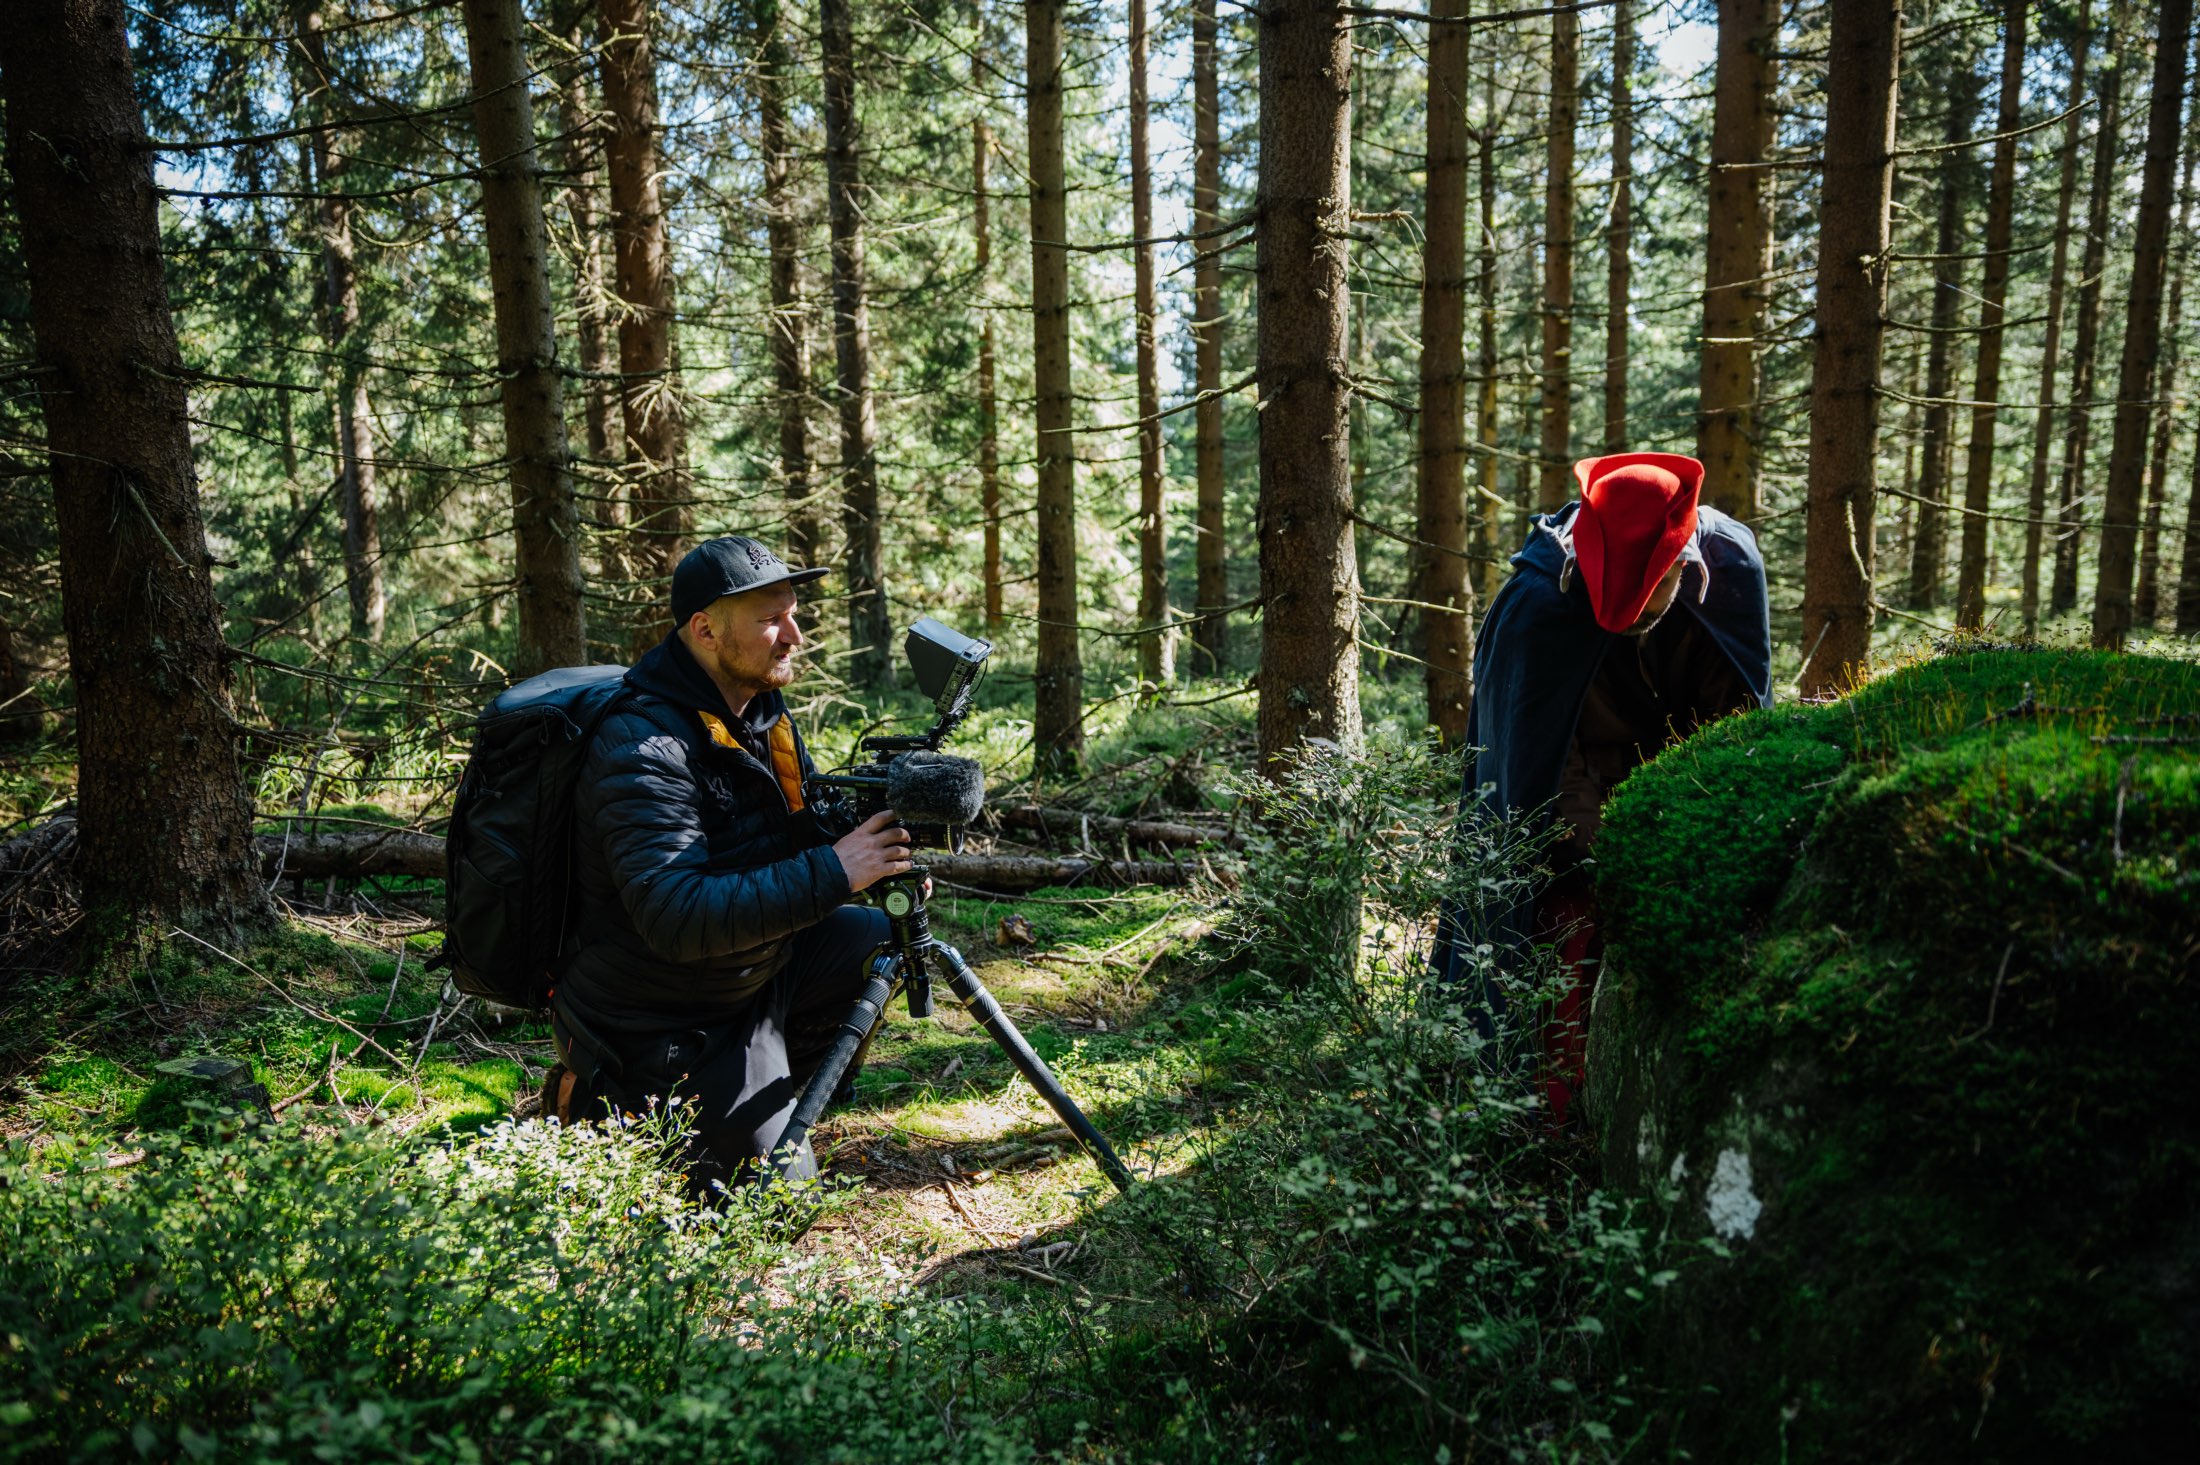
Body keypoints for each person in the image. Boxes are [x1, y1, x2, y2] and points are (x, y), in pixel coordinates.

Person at [543, 535, 915, 1191]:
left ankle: (752, 1104)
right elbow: (677, 918)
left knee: (880, 943)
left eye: (793, 612)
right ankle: (599, 1102)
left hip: (748, 975)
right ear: (705, 630)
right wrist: (836, 870)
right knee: (775, 1211)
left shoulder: (759, 711)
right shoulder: (642, 746)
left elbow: (782, 837)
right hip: (660, 1015)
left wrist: (874, 842)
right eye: (772, 619)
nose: (793, 635)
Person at [1431, 453, 1772, 1127]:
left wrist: (1686, 843)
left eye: (1651, 593)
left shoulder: (1733, 571)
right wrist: (1609, 864)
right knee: (1567, 940)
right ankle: (1553, 1124)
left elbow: (1730, 727)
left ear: (1686, 567)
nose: (1636, 610)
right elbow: (1549, 769)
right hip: (1575, 824)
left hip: (1679, 798)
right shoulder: (1538, 608)